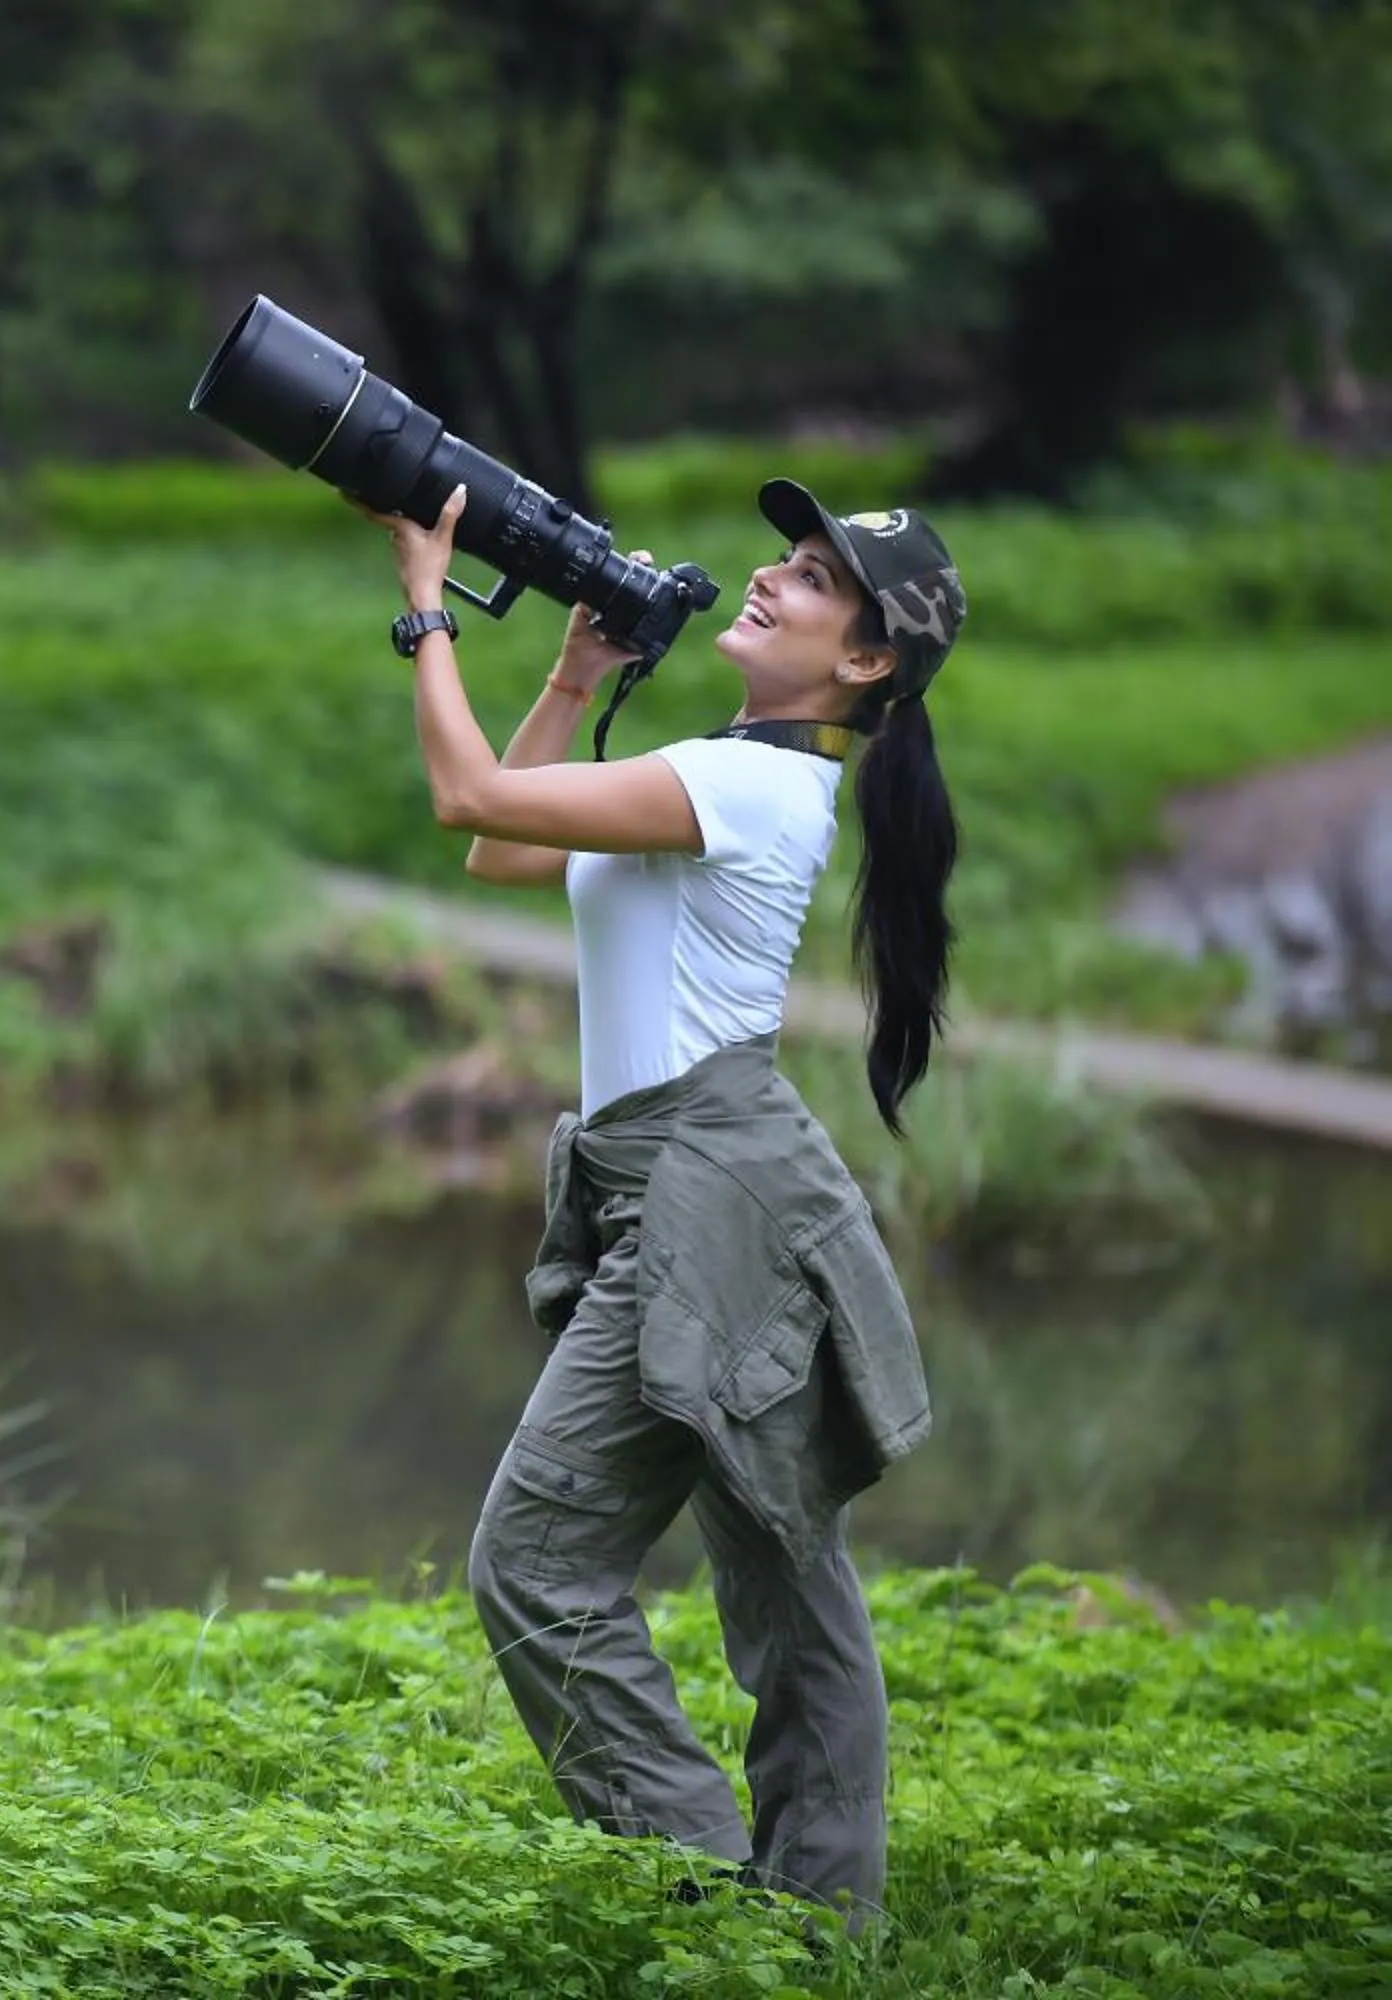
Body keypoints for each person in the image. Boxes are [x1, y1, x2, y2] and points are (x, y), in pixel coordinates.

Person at [358, 477, 968, 1934]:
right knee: (779, 1561)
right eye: (789, 555)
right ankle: (822, 1925)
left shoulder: (753, 786)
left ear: (867, 658)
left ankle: (718, 1911)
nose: (771, 576)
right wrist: (572, 677)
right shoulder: (724, 765)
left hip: (709, 1191)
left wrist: (429, 607)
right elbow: (503, 850)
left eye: (816, 581)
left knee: (535, 1562)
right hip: (685, 1179)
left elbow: (465, 794)